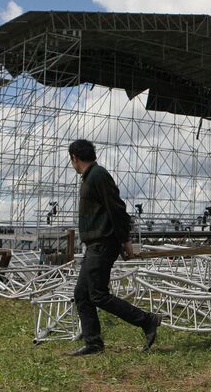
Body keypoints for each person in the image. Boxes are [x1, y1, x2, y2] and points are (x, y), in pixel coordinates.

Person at [68, 139, 162, 356]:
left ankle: (147, 321)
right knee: (82, 294)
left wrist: (126, 241)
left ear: (74, 157)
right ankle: (93, 343)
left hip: (102, 244)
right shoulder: (91, 176)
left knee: (98, 295)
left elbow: (117, 209)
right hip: (95, 245)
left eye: (71, 161)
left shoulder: (98, 175)